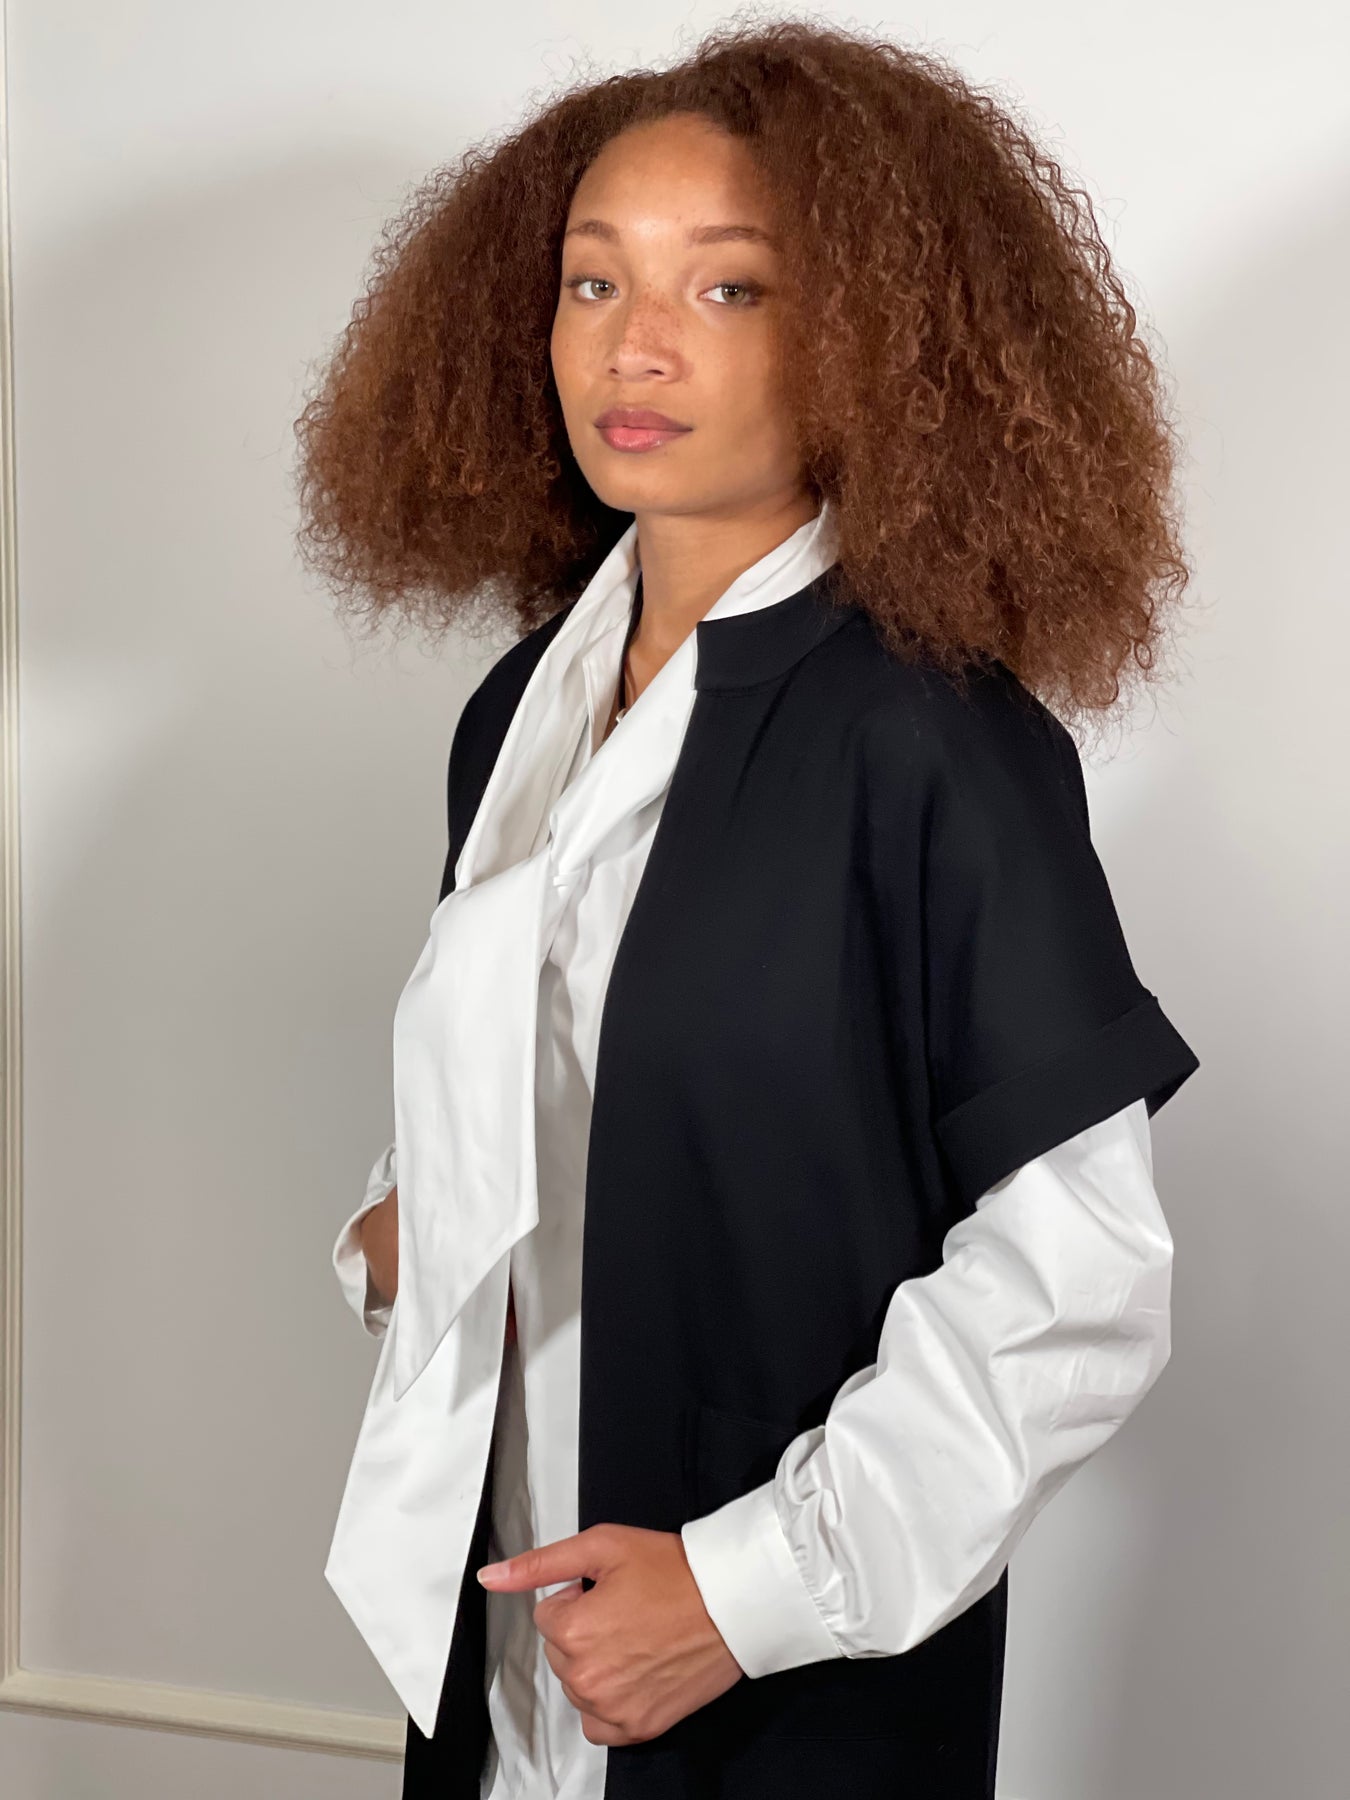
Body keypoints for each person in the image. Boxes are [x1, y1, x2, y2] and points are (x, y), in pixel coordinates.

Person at [293, 21, 1201, 1800]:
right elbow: (573, 1071)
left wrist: (740, 1591)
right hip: (498, 1619)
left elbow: (1079, 1283)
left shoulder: (934, 739)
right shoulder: (519, 711)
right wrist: (408, 1232)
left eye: (729, 289)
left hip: (771, 1680)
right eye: (591, 280)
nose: (632, 346)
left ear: (871, 341)